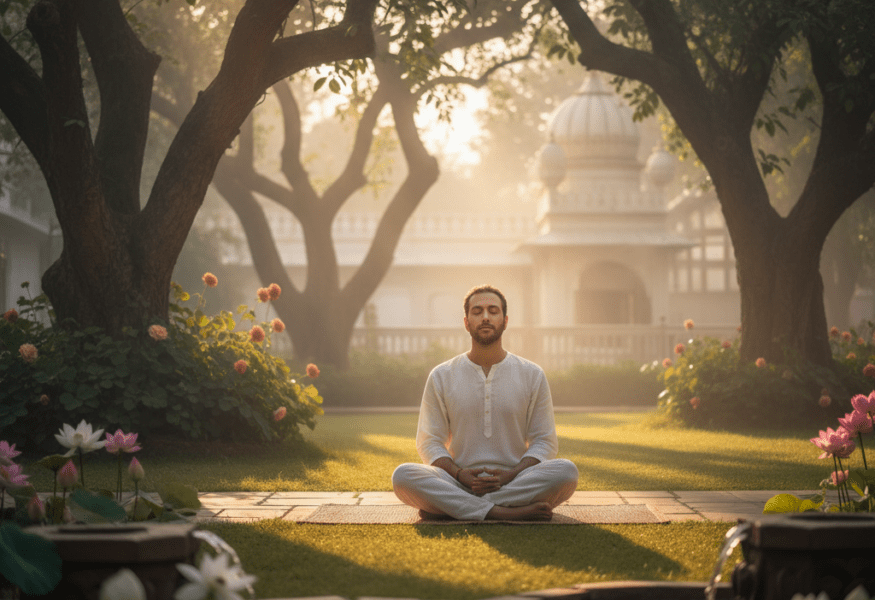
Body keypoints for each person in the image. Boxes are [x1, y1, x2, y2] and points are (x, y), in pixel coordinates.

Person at [392, 284, 579, 521]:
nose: (486, 317)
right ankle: (503, 511)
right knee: (403, 475)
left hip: (516, 480)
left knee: (566, 471)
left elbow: (544, 441)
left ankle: (452, 507)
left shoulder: (532, 374)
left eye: (493, 310)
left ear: (505, 320)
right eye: (477, 311)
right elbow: (430, 442)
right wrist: (460, 475)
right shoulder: (442, 375)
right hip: (458, 481)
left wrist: (510, 475)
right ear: (466, 321)